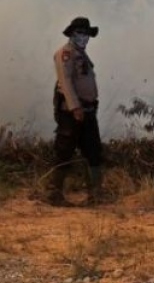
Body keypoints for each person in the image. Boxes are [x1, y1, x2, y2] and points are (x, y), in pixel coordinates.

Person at [46, 16, 103, 206]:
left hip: (88, 110)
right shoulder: (65, 54)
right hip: (71, 112)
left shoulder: (81, 55)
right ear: (71, 33)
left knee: (93, 150)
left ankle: (95, 194)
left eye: (86, 34)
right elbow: (66, 82)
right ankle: (55, 194)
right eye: (80, 33)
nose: (84, 37)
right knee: (64, 150)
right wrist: (75, 107)